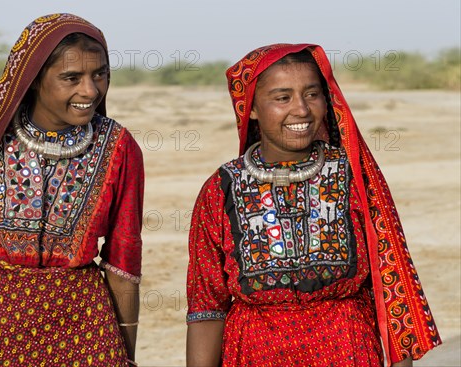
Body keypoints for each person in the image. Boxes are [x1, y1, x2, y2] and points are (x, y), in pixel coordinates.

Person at [186, 44, 441, 367]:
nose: (302, 110)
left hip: (349, 350)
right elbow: (206, 307)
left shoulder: (356, 177)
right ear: (251, 107)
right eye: (282, 98)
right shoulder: (220, 189)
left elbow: (390, 288)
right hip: (255, 354)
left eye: (312, 94)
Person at [0, 13, 143, 366]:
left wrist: (126, 355)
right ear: (34, 78)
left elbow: (124, 259)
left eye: (99, 74)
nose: (90, 90)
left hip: (87, 330)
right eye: (71, 77)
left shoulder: (118, 146)